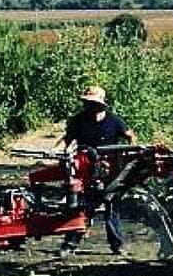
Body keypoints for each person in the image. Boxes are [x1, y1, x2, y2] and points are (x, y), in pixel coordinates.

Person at [57, 86, 135, 255]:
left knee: (111, 206)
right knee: (82, 207)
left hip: (110, 170)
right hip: (86, 169)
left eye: (93, 104)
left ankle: (117, 245)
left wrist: (128, 155)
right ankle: (70, 244)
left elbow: (130, 136)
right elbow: (67, 140)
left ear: (101, 105)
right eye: (87, 103)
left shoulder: (114, 121)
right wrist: (64, 155)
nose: (89, 107)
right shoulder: (79, 120)